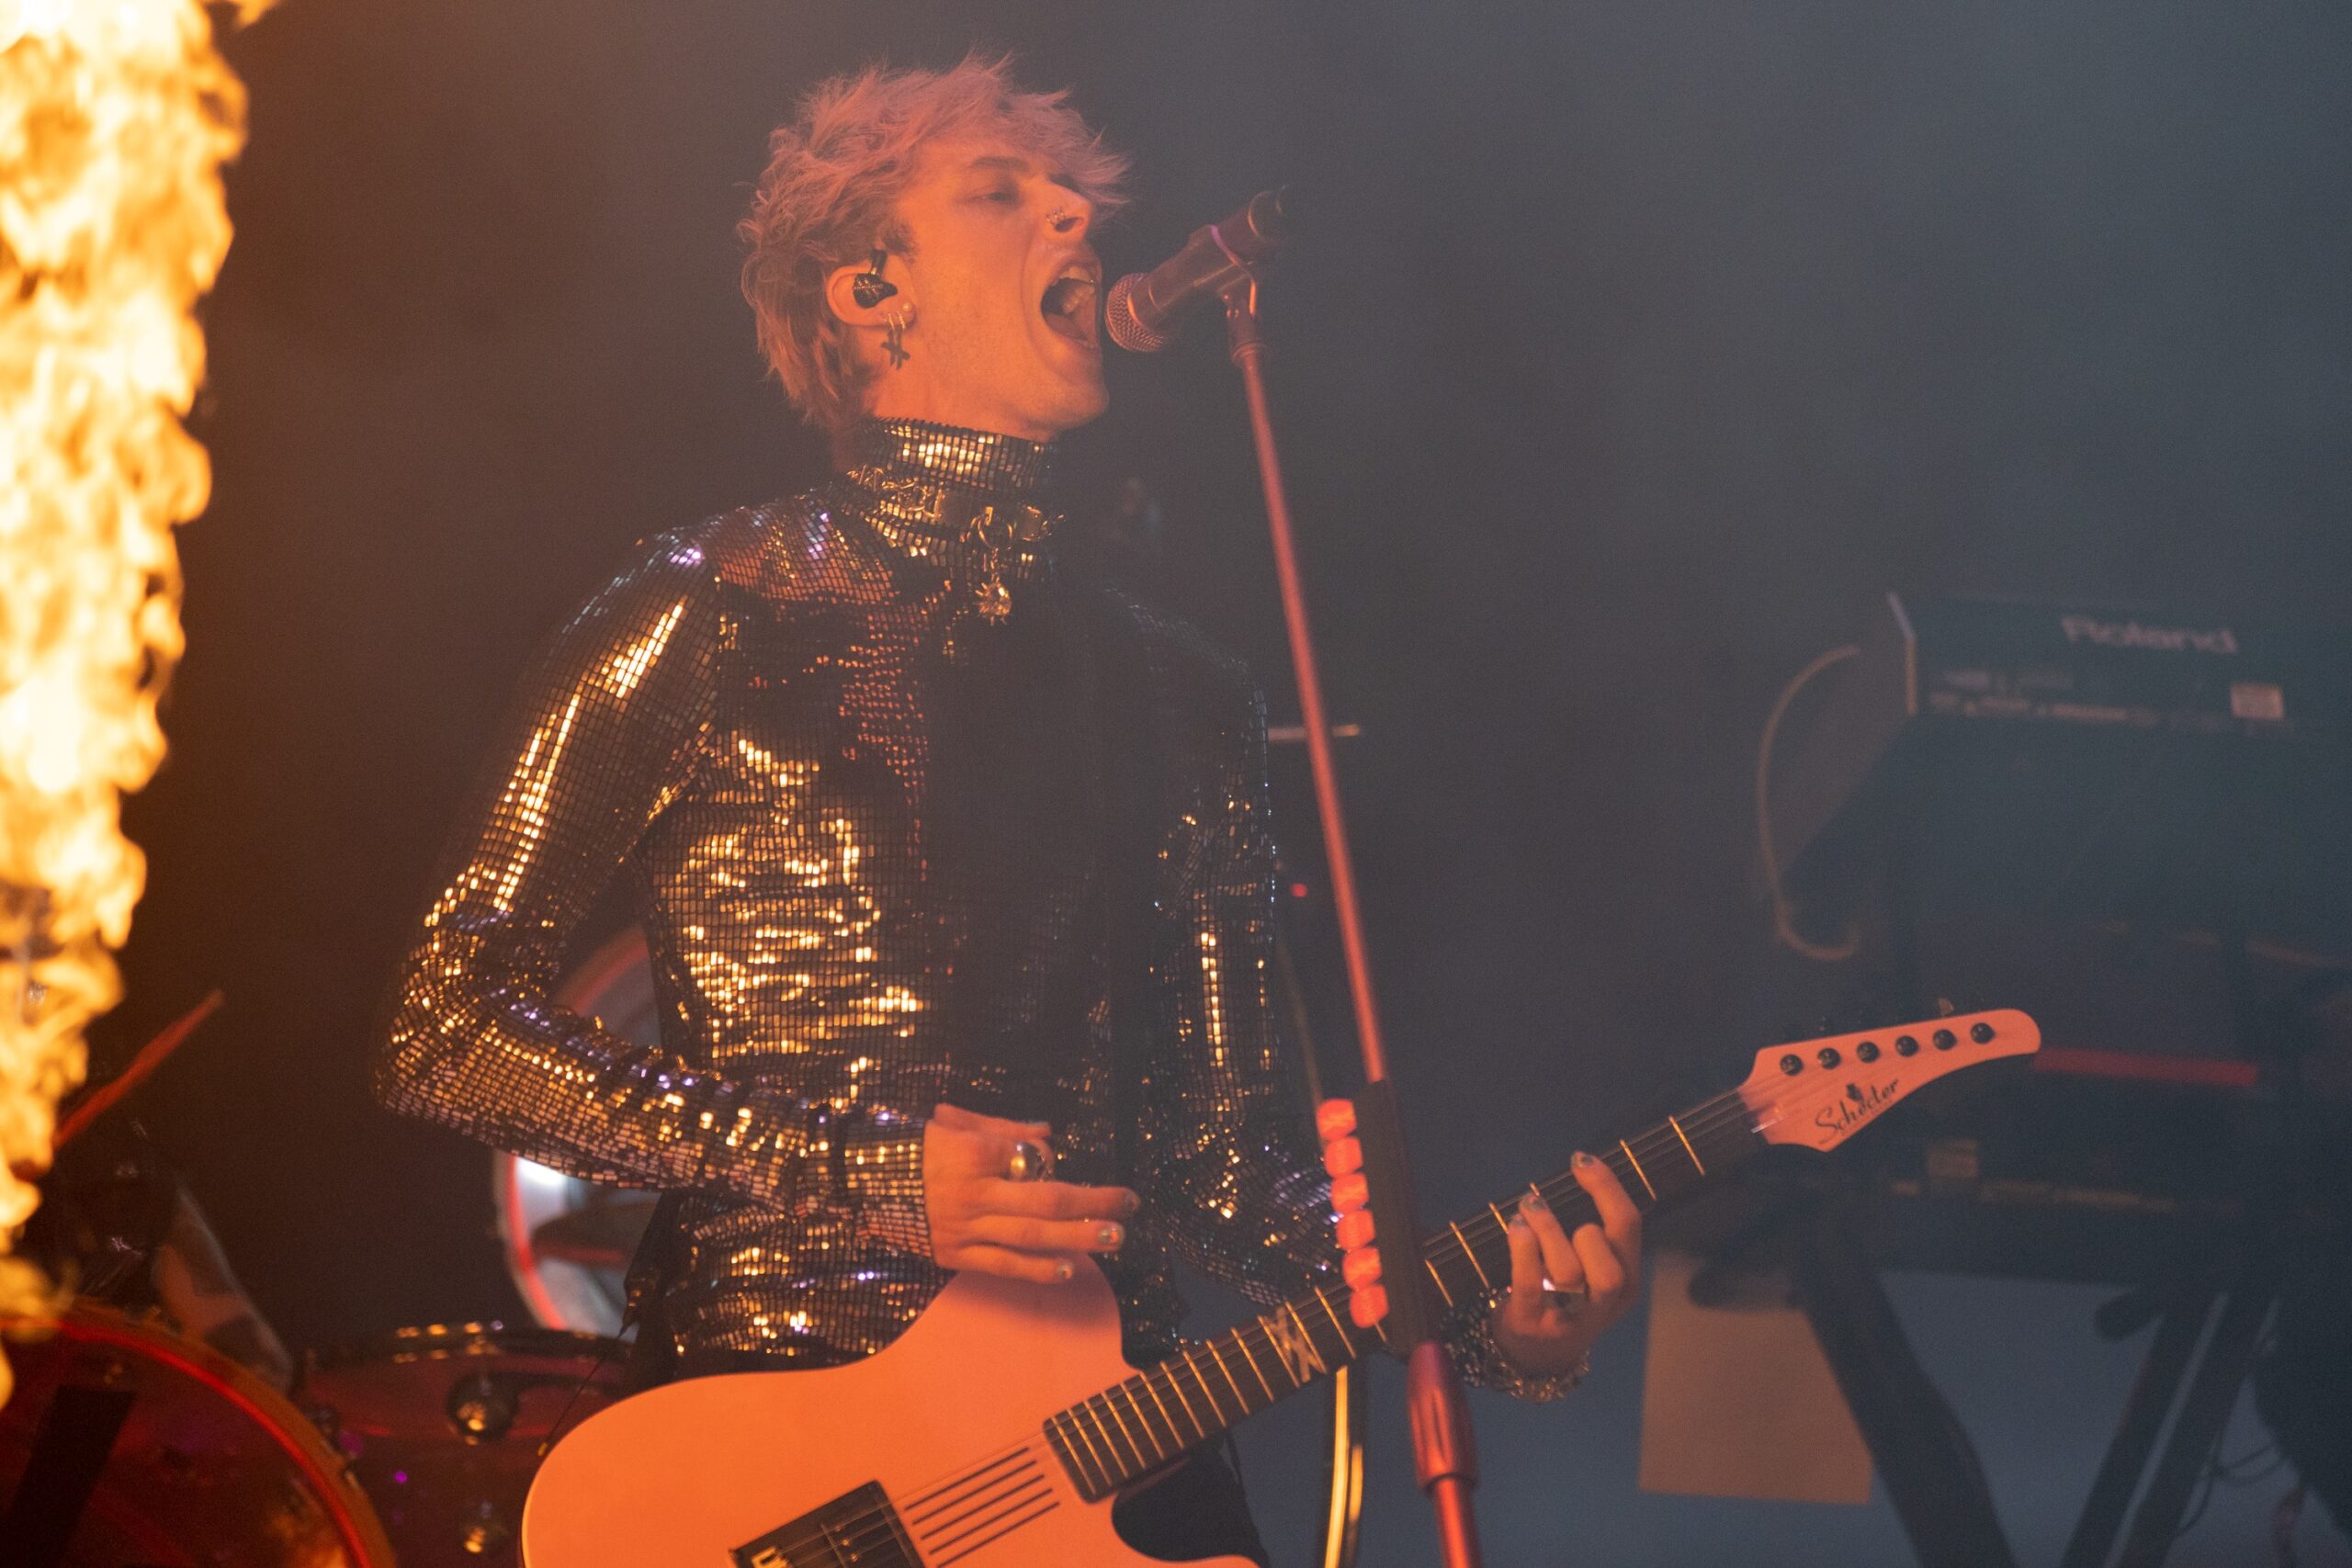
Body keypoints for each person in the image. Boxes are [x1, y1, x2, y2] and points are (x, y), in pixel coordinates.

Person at [374, 54, 1641, 1560]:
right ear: (871, 293)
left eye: (1079, 199)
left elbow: (1224, 1168)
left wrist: (1493, 1318)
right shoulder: (713, 607)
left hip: (1121, 1461)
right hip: (794, 1463)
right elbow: (441, 1027)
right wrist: (865, 1173)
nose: (1077, 220)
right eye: (1003, 194)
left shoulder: (1183, 690)